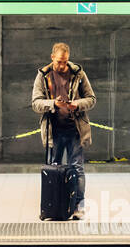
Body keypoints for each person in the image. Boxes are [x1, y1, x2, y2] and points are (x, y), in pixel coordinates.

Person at [30, 42, 97, 219]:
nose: (62, 65)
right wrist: (53, 104)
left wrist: (77, 105)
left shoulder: (78, 74)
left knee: (77, 168)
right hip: (54, 131)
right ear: (52, 57)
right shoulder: (43, 76)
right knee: (53, 168)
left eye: (65, 62)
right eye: (59, 61)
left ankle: (78, 207)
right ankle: (54, 206)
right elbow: (36, 103)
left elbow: (91, 99)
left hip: (75, 129)